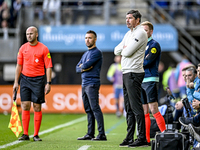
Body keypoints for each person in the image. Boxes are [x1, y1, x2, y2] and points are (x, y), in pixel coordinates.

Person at [114, 10, 148, 148]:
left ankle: (141, 138)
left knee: (135, 107)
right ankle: (129, 137)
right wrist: (124, 47)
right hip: (127, 72)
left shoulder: (140, 32)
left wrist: (124, 49)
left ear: (138, 20)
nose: (127, 20)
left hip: (134, 72)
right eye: (126, 18)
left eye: (130, 18)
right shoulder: (129, 34)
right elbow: (116, 50)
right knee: (128, 107)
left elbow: (126, 52)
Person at [13, 26, 53, 141]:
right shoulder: (22, 48)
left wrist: (48, 82)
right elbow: (19, 66)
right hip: (25, 79)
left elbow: (49, 66)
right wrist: (16, 82)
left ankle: (35, 135)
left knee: (36, 106)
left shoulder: (44, 49)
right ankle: (25, 134)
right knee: (25, 105)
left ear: (36, 35)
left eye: (31, 33)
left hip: (38, 80)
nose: (29, 36)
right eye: (27, 34)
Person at [76, 30, 107, 141]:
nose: (87, 40)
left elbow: (87, 65)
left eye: (90, 38)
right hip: (84, 84)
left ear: (95, 39)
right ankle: (90, 133)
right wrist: (83, 67)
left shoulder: (96, 52)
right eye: (86, 38)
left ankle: (102, 134)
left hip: (92, 83)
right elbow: (77, 67)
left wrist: (84, 66)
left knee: (95, 108)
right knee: (88, 109)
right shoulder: (85, 54)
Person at [140, 21, 166, 144]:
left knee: (153, 109)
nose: (144, 33)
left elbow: (147, 62)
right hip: (141, 80)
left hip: (150, 79)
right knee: (144, 111)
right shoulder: (140, 45)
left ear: (151, 31)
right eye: (142, 30)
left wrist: (138, 61)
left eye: (146, 30)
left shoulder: (154, 45)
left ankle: (166, 136)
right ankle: (146, 139)